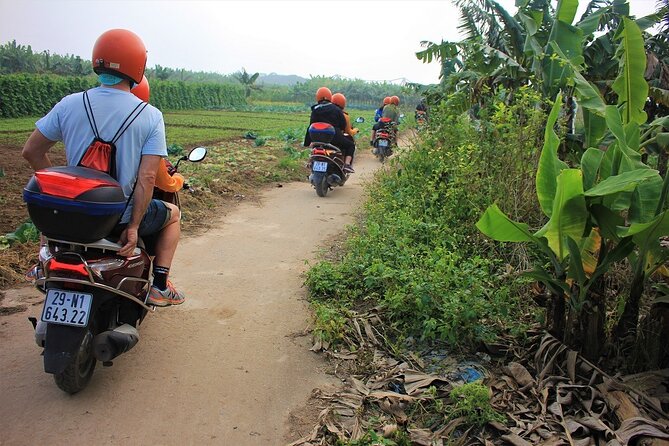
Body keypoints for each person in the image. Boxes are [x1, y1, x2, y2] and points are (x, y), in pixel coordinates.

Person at [21, 28, 185, 307]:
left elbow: (31, 151)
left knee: (51, 220)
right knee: (173, 214)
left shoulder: (69, 104)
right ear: (137, 65)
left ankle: (42, 264)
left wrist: (60, 189)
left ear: (97, 61)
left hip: (73, 212)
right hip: (117, 218)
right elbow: (147, 177)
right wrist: (133, 226)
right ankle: (159, 286)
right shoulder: (150, 116)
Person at [304, 87, 356, 173]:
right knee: (350, 145)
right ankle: (347, 165)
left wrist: (307, 142)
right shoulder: (336, 109)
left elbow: (310, 126)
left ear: (317, 97)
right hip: (334, 137)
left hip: (317, 137)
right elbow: (343, 125)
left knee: (313, 149)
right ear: (329, 96)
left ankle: (310, 162)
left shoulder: (315, 109)